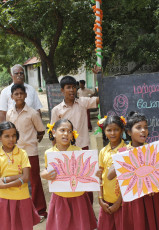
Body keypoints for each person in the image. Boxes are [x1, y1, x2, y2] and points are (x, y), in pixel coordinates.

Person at [107, 111, 159, 230]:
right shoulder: (124, 152)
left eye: (145, 127)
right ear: (129, 132)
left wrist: (156, 187)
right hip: (134, 200)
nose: (143, 130)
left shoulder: (153, 151)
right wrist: (126, 158)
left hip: (151, 198)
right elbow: (109, 175)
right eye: (138, 128)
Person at [40, 119, 97, 230]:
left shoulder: (78, 151)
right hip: (60, 198)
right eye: (62, 130)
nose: (66, 133)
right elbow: (45, 170)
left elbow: (85, 171)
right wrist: (44, 174)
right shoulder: (49, 153)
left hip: (79, 197)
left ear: (72, 135)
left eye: (69, 131)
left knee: (80, 225)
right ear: (54, 132)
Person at [50, 76, 99, 204]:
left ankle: (89, 215)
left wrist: (99, 76)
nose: (72, 90)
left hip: (82, 148)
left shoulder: (83, 102)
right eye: (68, 87)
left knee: (87, 183)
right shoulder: (57, 110)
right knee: (70, 185)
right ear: (62, 90)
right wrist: (55, 152)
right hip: (65, 151)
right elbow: (53, 133)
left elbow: (100, 98)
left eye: (74, 87)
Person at [6, 84, 48, 221]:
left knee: (34, 180)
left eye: (21, 94)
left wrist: (32, 141)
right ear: (12, 96)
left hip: (30, 151)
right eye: (16, 94)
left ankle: (40, 211)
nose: (19, 96)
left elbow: (41, 130)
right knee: (19, 180)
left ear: (25, 95)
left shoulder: (32, 113)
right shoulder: (9, 113)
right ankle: (23, 211)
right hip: (15, 152)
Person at [0, 121, 40, 230]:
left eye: (13, 135)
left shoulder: (23, 153)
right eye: (6, 136)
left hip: (22, 198)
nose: (11, 139)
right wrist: (18, 176)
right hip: (3, 199)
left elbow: (26, 178)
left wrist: (6, 181)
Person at [95, 116, 126, 230]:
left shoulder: (126, 150)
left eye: (116, 129)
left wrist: (118, 202)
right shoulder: (103, 152)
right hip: (106, 203)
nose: (112, 133)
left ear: (122, 130)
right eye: (109, 130)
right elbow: (100, 177)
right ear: (104, 131)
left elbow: (128, 180)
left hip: (122, 203)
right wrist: (100, 199)